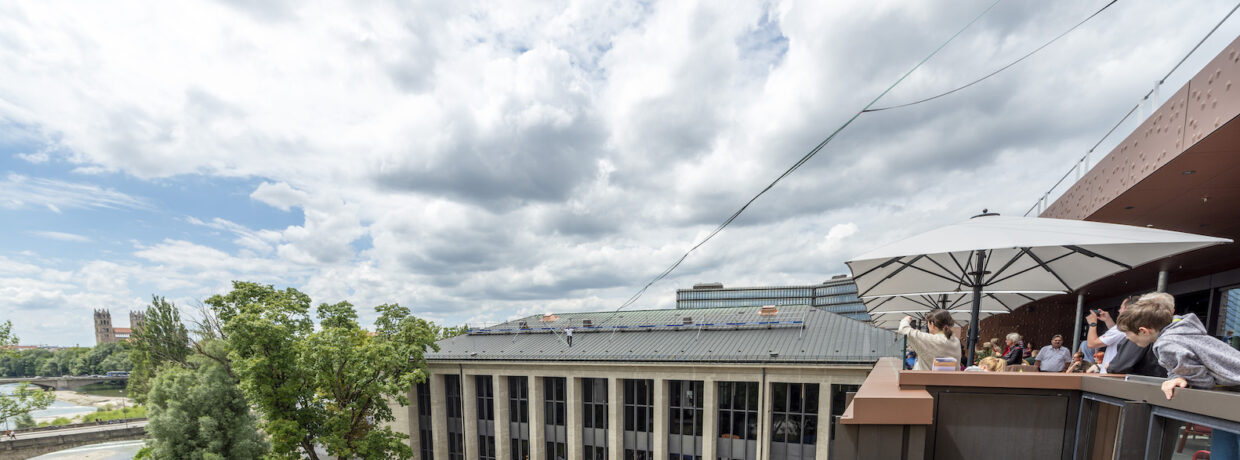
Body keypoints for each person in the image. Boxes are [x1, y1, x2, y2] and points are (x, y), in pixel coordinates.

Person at [1118, 298, 1240, 460]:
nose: (1126, 338)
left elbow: (1204, 382)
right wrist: (1178, 375)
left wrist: (1183, 377)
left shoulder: (1166, 344)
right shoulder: (1182, 332)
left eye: (1127, 333)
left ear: (1143, 331)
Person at [1086, 295, 1140, 374]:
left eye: (1121, 308)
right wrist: (1107, 320)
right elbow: (1116, 337)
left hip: (1110, 373)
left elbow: (1092, 344)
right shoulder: (1135, 326)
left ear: (1127, 309)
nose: (1119, 310)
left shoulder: (1121, 328)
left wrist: (1092, 324)